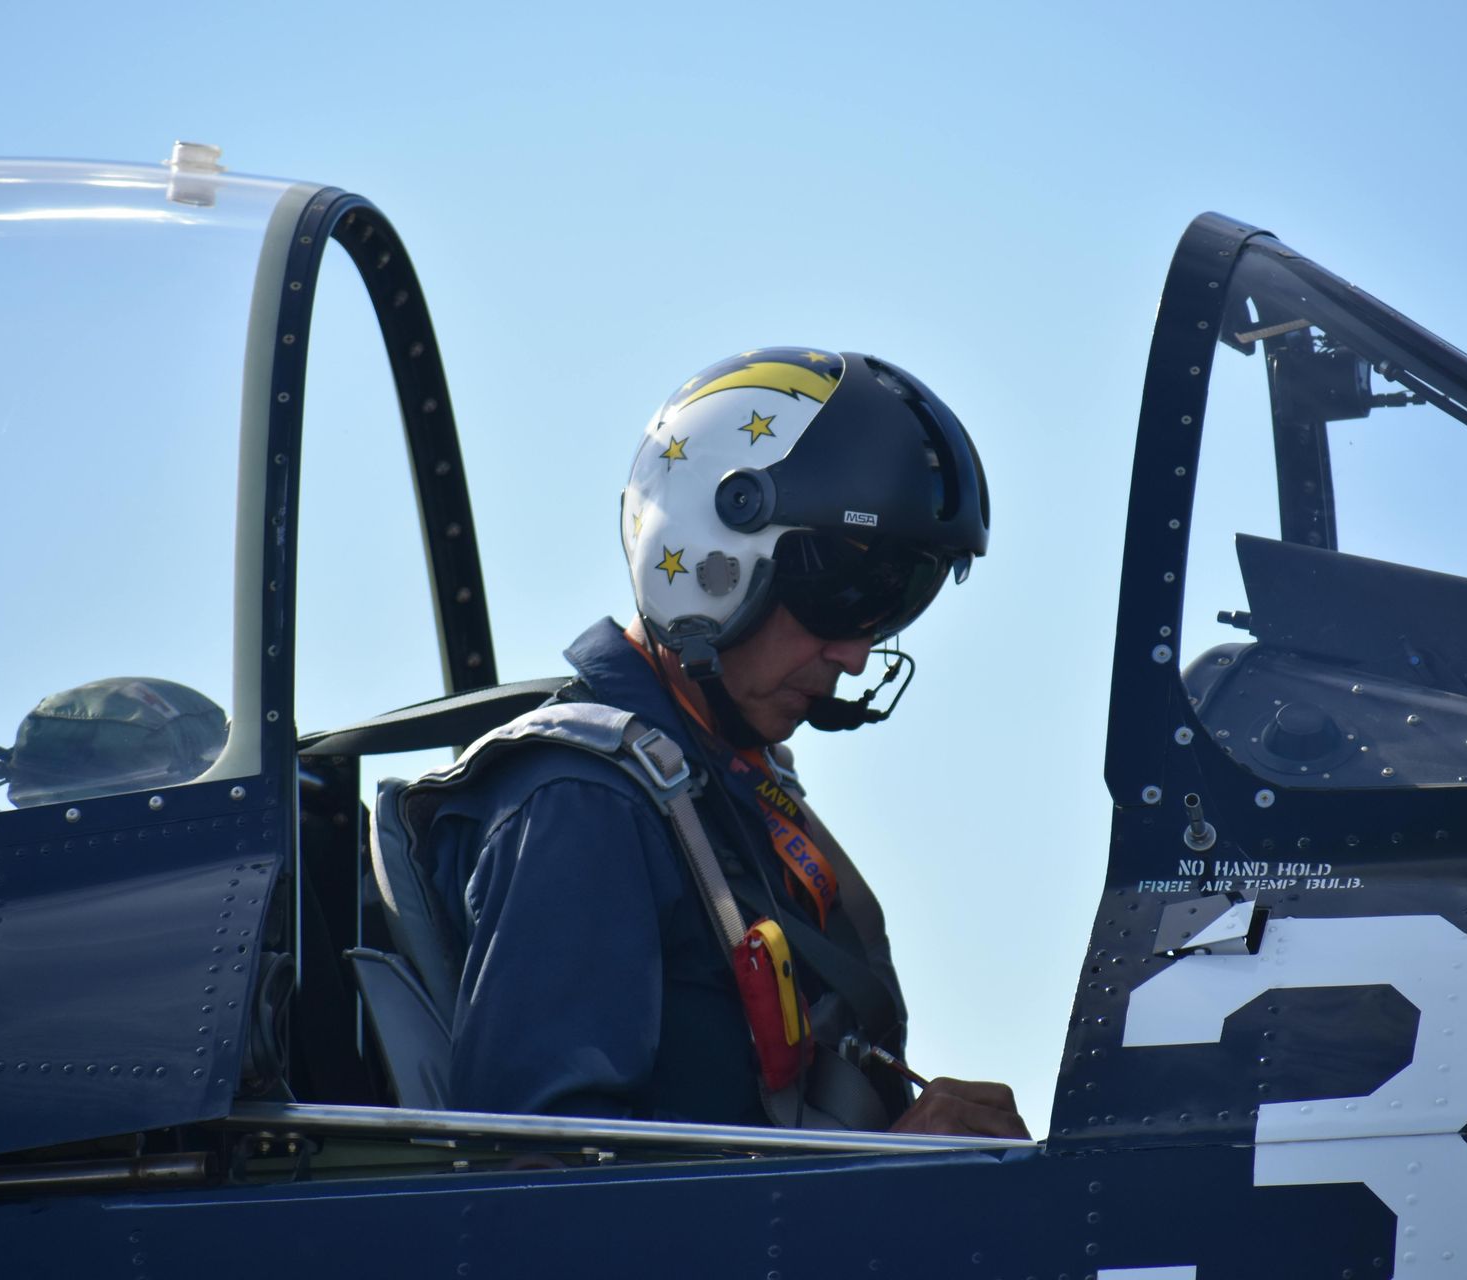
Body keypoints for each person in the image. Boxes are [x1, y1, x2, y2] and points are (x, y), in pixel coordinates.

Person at [425, 347, 1026, 1138]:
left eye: (892, 606)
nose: (854, 654)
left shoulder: (728, 795)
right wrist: (876, 1193)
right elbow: (541, 1203)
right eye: (842, 598)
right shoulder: (584, 807)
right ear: (713, 564)